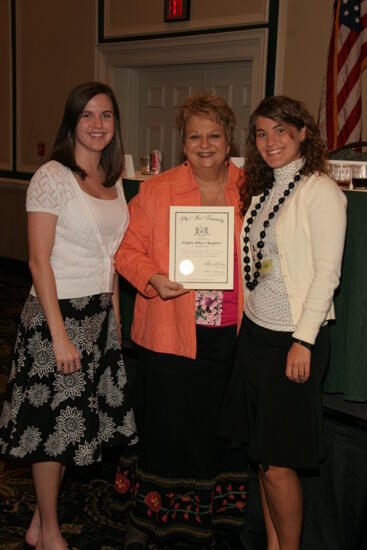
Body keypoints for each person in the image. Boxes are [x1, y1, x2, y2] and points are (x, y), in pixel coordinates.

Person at [0, 82, 137, 550]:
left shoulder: (114, 178)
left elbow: (111, 258)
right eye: (88, 116)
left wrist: (113, 323)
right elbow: (39, 262)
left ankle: (40, 521)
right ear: (72, 122)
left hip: (98, 315)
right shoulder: (51, 177)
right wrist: (60, 337)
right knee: (48, 429)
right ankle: (52, 533)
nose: (98, 124)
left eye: (106, 116)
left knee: (72, 423)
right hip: (55, 317)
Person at [113, 94, 248, 549]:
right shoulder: (157, 190)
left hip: (230, 335)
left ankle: (212, 523)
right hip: (170, 331)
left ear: (229, 138)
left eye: (214, 135)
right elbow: (126, 251)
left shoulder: (250, 189)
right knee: (166, 430)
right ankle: (147, 520)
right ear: (182, 142)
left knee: (217, 432)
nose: (204, 144)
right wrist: (151, 277)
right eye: (194, 136)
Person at [219, 95, 347, 550]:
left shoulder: (321, 191)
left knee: (277, 461)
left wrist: (303, 341)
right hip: (256, 336)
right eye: (261, 133)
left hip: (293, 340)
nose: (270, 141)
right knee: (262, 458)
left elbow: (327, 274)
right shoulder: (263, 189)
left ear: (302, 134)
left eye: (280, 131)